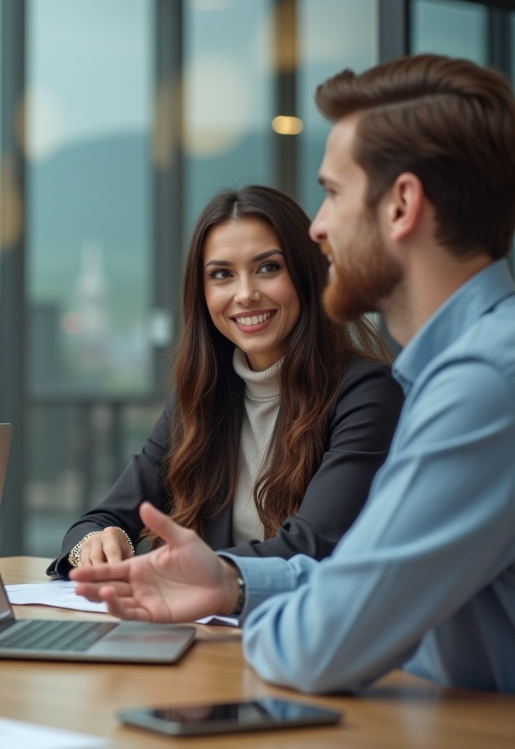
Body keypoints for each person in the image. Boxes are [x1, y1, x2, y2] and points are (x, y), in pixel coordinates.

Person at [72, 54, 515, 695]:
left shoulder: (482, 384)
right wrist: (230, 583)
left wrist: (243, 603)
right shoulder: (460, 371)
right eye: (221, 274)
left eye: (333, 193)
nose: (319, 226)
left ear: (401, 207)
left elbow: (321, 645)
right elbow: (358, 580)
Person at [50, 185, 401, 578]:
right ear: (203, 294)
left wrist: (184, 573)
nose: (246, 294)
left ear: (305, 275)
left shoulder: (366, 394)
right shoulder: (200, 399)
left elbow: (314, 546)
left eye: (268, 268)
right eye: (222, 275)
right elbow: (100, 519)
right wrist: (95, 545)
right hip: (213, 630)